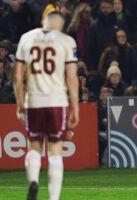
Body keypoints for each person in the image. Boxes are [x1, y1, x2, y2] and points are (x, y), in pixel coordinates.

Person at [13, 11, 79, 200]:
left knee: (34, 145)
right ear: (60, 25)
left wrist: (19, 103)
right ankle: (54, 198)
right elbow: (72, 77)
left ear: (44, 22)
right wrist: (75, 106)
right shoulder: (66, 41)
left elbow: (18, 76)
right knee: (55, 149)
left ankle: (33, 180)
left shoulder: (26, 38)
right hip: (57, 100)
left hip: (33, 100)